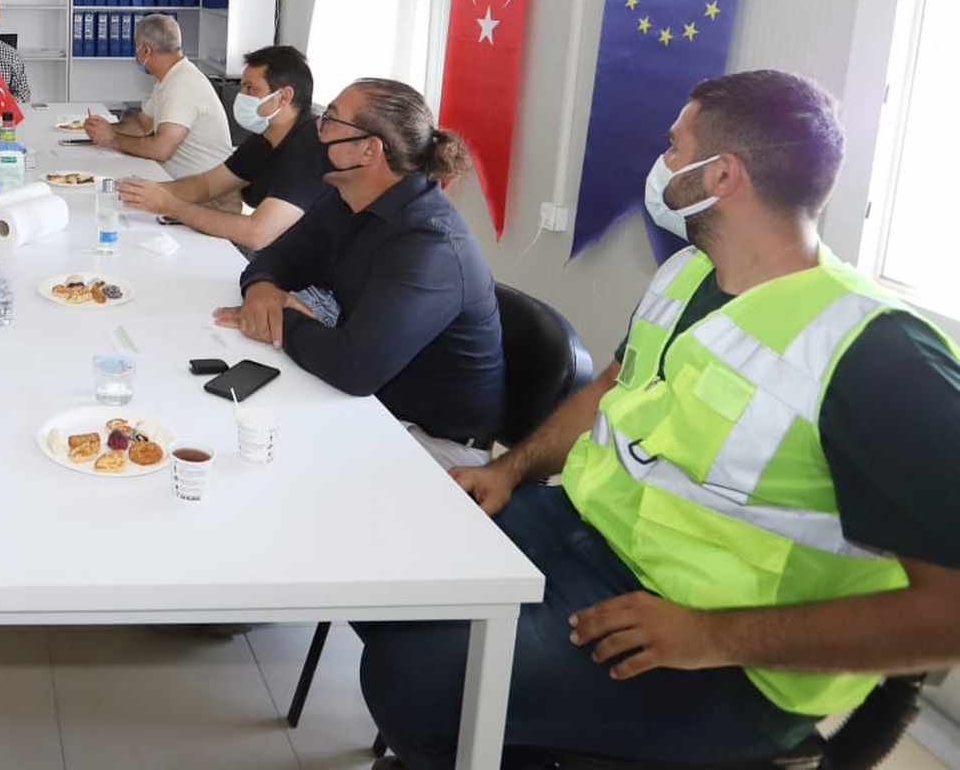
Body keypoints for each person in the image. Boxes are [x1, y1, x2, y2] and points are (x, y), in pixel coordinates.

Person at [356, 70, 960, 769]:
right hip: (584, 534)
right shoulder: (686, 275)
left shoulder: (875, 352)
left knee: (415, 680)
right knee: (385, 576)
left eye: (674, 147)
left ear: (722, 175)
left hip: (725, 657)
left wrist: (710, 636)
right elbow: (613, 387)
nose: (661, 163)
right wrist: (508, 470)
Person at [219, 78, 505, 466]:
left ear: (369, 150)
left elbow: (354, 369)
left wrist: (279, 316)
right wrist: (263, 290)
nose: (317, 130)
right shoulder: (347, 199)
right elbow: (277, 258)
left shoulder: (429, 244)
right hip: (371, 401)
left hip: (431, 443)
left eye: (330, 120)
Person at [117, 44, 325, 253]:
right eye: (242, 87)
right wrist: (141, 191)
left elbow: (256, 234)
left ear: (284, 97)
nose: (241, 95)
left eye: (251, 89)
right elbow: (206, 185)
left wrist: (171, 206)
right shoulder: (265, 138)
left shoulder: (309, 148)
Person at [83, 15, 233, 198]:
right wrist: (104, 129)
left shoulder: (182, 84)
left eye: (136, 47)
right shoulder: (169, 78)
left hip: (208, 195)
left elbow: (161, 149)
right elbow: (142, 126)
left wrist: (112, 138)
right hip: (183, 184)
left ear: (145, 50)